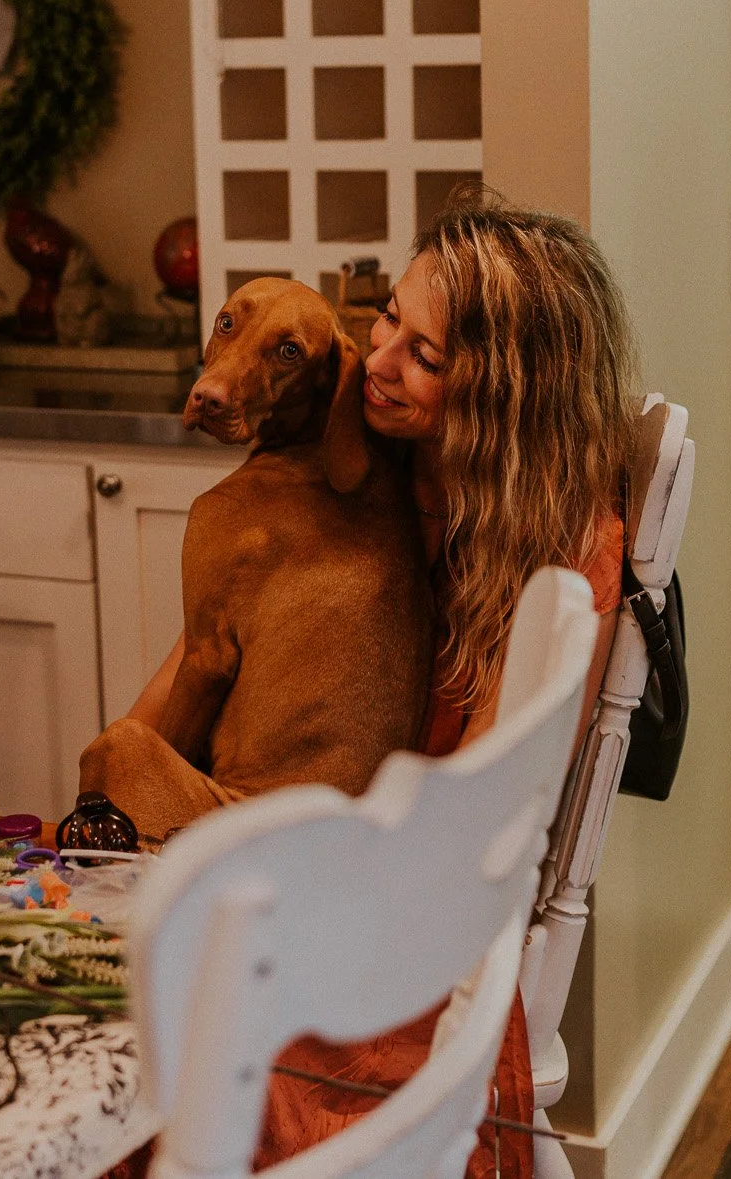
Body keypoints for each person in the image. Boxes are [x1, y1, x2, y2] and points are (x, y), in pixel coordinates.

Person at [110, 190, 639, 1178]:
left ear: (507, 397)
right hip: (277, 870)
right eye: (387, 316)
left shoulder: (559, 561)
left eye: (425, 356)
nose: (378, 361)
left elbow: (481, 835)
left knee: (156, 1062)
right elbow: (185, 682)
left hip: (402, 936)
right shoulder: (354, 468)